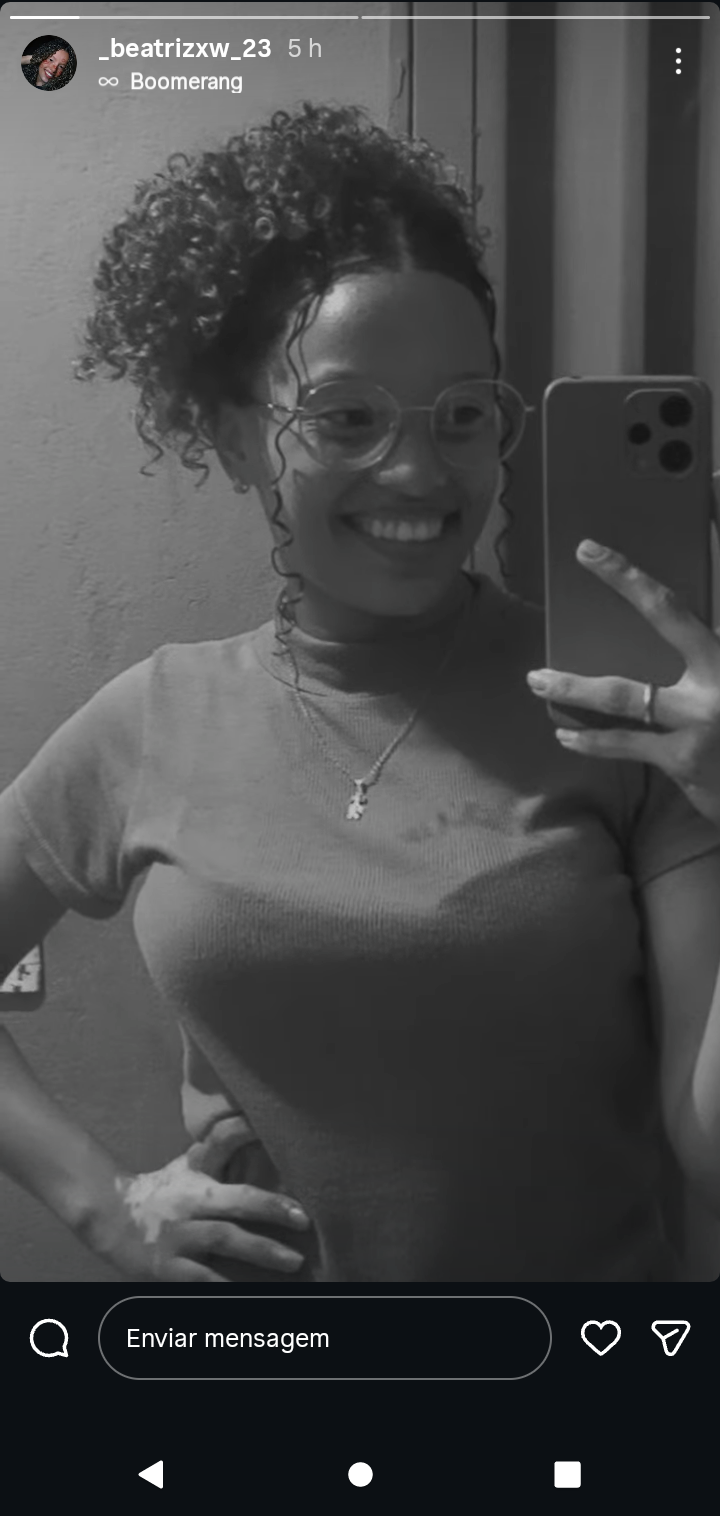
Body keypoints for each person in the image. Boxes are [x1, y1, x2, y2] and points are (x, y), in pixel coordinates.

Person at [2, 102, 720, 1285]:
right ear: (236, 438)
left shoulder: (625, 713)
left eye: (464, 414)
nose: (419, 470)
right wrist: (106, 1206)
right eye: (346, 417)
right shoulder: (151, 720)